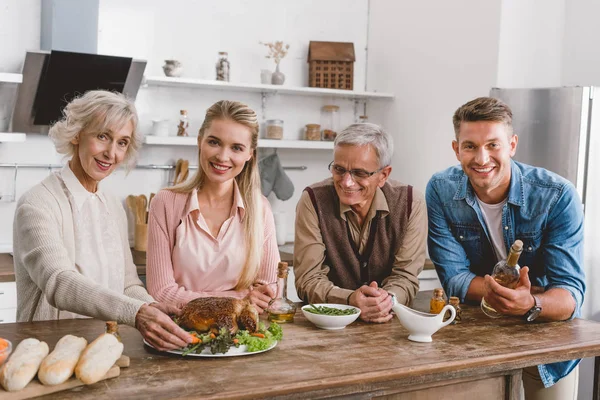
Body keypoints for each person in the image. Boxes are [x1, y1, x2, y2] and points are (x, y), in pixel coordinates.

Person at [426, 97, 585, 399]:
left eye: (493, 145)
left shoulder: (558, 195)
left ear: (512, 145)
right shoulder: (440, 189)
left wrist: (530, 303)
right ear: (456, 149)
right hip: (474, 340)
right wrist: (514, 294)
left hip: (546, 340)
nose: (482, 158)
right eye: (470, 146)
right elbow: (454, 280)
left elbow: (570, 295)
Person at [13, 90, 192, 351]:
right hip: (45, 352)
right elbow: (59, 282)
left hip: (102, 349)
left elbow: (127, 283)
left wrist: (151, 307)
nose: (111, 153)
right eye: (102, 136)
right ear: (77, 134)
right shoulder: (38, 203)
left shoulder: (112, 204)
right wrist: (137, 312)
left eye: (122, 142)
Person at [147, 100, 279, 313]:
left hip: (243, 337)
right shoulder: (166, 203)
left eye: (236, 147)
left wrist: (198, 299)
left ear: (250, 154)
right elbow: (161, 292)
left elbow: (271, 289)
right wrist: (241, 299)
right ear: (200, 141)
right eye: (214, 142)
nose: (222, 156)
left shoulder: (260, 208)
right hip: (181, 334)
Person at [294, 123, 427, 323]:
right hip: (329, 326)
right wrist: (349, 299)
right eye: (339, 169)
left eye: (360, 173)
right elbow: (308, 279)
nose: (347, 182)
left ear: (383, 175)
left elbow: (405, 277)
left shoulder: (410, 202)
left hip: (389, 325)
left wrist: (385, 301)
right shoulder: (313, 200)